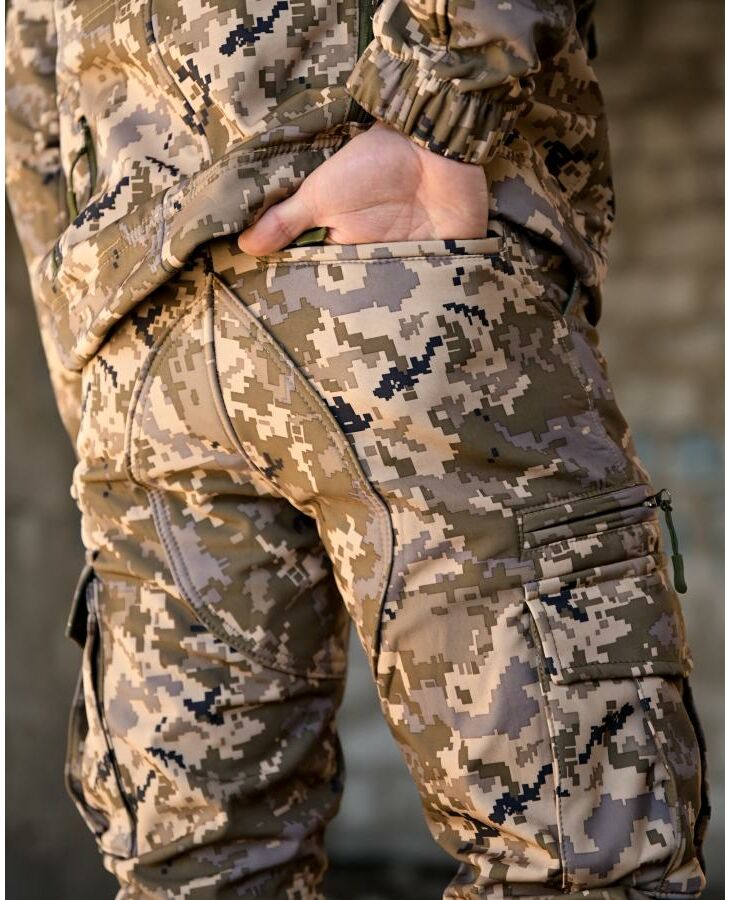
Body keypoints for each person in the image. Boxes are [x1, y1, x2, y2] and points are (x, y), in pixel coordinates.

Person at [6, 0, 710, 896]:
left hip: (147, 325)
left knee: (200, 873)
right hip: (392, 253)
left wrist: (90, 347)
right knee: (581, 856)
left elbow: (28, 79)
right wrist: (435, 116)